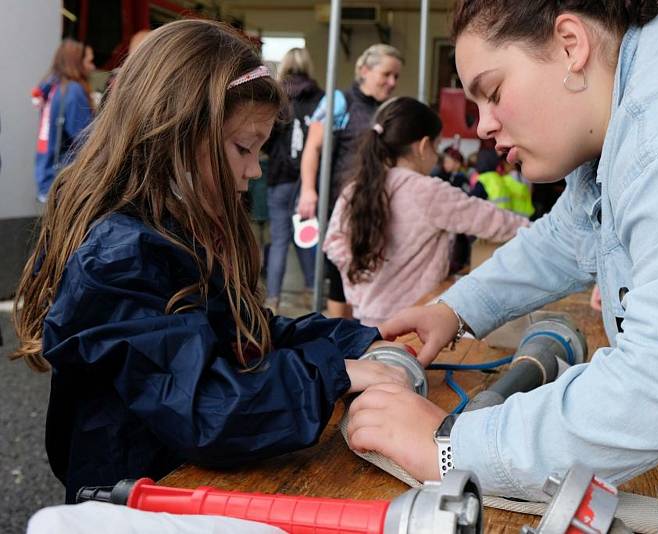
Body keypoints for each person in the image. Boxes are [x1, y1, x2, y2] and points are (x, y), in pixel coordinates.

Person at [345, 2, 658, 531]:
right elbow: (567, 235)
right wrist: (454, 308)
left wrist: (450, 446)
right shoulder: (638, 102)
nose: (485, 124)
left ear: (569, 44)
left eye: (492, 92)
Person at [11, 20, 410, 503]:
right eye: (244, 147)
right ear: (177, 133)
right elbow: (206, 407)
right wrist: (335, 373)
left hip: (182, 486)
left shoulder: (176, 232)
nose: (255, 168)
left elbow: (245, 334)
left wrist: (357, 340)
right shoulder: (120, 258)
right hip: (132, 502)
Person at [323, 97, 527, 326]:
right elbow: (493, 221)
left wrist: (360, 286)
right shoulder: (427, 191)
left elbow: (333, 243)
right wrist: (540, 230)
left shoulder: (355, 187)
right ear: (423, 146)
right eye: (437, 147)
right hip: (414, 323)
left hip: (367, 318)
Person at [298, 44, 403, 318]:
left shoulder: (386, 110)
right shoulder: (340, 101)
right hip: (340, 205)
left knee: (365, 274)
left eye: (396, 77)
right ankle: (339, 339)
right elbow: (313, 147)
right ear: (365, 70)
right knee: (339, 276)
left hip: (372, 204)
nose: (392, 83)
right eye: (387, 74)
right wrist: (308, 190)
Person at [263, 48, 324, 311]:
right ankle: (312, 292)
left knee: (279, 240)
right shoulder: (320, 98)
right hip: (307, 181)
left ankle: (273, 299)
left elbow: (266, 140)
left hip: (279, 177)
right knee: (306, 237)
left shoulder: (276, 98)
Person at [32, 38, 95, 203]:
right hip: (66, 182)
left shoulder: (51, 88)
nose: (92, 66)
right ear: (76, 62)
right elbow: (86, 140)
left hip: (47, 176)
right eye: (89, 61)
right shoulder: (73, 91)